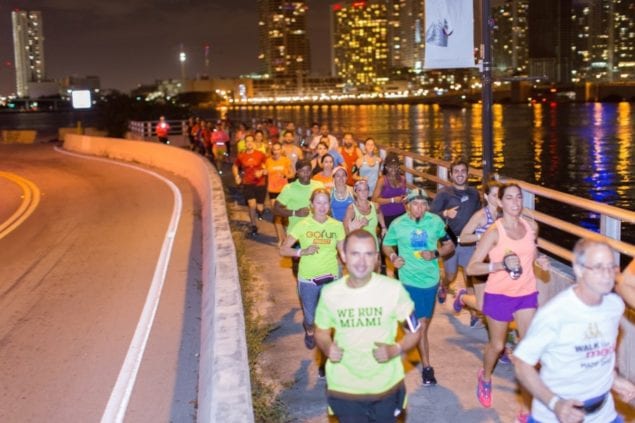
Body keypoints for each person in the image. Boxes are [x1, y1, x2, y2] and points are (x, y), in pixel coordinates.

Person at [513, 239, 635, 423]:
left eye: (611, 267)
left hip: (604, 414)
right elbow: (522, 364)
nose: (607, 275)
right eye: (598, 267)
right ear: (578, 270)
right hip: (555, 417)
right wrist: (555, 404)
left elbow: (601, 352)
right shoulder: (555, 314)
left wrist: (613, 378)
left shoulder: (614, 306)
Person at [314, 229, 422, 423]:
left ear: (376, 258)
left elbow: (414, 331)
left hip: (386, 387)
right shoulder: (329, 293)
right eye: (355, 253)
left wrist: (395, 349)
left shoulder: (393, 290)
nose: (362, 262)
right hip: (345, 388)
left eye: (368, 254)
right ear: (344, 256)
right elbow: (320, 331)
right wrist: (328, 347)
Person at [466, 183, 550, 410]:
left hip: (526, 293)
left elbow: (531, 252)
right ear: (500, 203)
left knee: (529, 349)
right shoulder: (494, 232)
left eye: (519, 198)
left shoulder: (531, 226)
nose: (515, 202)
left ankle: (526, 408)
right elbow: (471, 268)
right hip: (499, 294)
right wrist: (499, 265)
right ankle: (484, 377)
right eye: (510, 198)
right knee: (497, 344)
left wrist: (539, 260)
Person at [382, 188, 455, 386]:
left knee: (420, 326)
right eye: (415, 204)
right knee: (419, 327)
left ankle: (411, 342)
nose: (419, 208)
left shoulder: (436, 222)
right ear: (407, 205)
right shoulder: (398, 224)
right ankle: (427, 367)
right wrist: (393, 257)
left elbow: (451, 244)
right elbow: (386, 244)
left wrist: (436, 254)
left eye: (423, 204)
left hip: (429, 283)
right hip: (407, 282)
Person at [279, 188, 345, 354]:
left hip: (331, 277)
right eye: (318, 202)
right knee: (310, 319)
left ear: (329, 205)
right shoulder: (303, 225)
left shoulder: (337, 226)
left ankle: (327, 352)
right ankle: (309, 330)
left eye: (325, 202)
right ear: (311, 205)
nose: (322, 206)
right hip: (308, 280)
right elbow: (283, 250)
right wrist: (301, 251)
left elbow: (343, 253)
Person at [430, 158, 481, 304]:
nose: (460, 174)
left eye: (463, 171)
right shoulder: (444, 194)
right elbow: (431, 217)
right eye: (456, 171)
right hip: (449, 241)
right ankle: (444, 285)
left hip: (468, 242)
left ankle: (473, 313)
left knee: (470, 275)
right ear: (451, 174)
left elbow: (479, 216)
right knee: (451, 276)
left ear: (468, 173)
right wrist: (445, 213)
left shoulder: (474, 194)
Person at [453, 179, 502, 328]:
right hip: (482, 263)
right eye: (494, 195)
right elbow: (463, 237)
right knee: (482, 306)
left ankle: (502, 345)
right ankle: (463, 297)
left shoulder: (505, 215)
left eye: (500, 195)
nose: (498, 198)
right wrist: (483, 236)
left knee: (501, 304)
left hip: (499, 264)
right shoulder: (481, 215)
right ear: (486, 197)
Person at [273, 159, 325, 235]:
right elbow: (275, 209)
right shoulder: (289, 188)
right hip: (296, 235)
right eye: (302, 171)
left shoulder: (319, 185)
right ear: (297, 172)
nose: (305, 173)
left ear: (311, 171)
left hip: (317, 233)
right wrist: (295, 213)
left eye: (308, 170)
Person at [232, 134, 268, 237]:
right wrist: (237, 176)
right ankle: (253, 225)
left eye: (251, 141)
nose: (249, 143)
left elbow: (267, 166)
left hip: (260, 183)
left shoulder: (260, 154)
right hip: (248, 183)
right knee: (251, 204)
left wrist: (262, 172)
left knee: (259, 207)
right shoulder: (241, 155)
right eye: (247, 141)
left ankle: (260, 211)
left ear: (254, 143)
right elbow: (235, 166)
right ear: (245, 143)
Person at [344, 180, 386, 250]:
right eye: (360, 190)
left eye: (365, 189)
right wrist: (357, 227)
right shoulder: (351, 209)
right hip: (358, 247)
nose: (363, 192)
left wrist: (383, 227)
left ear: (368, 191)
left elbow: (379, 213)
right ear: (355, 192)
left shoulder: (375, 206)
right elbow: (345, 228)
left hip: (373, 245)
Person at [265, 142, 293, 244]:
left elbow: (292, 174)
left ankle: (286, 237)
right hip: (272, 190)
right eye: (274, 149)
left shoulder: (286, 160)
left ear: (281, 150)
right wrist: (262, 172)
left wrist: (285, 175)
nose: (276, 151)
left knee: (284, 216)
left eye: (278, 149)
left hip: (284, 191)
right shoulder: (268, 161)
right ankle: (280, 239)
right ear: (272, 150)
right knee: (277, 216)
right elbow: (266, 171)